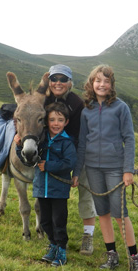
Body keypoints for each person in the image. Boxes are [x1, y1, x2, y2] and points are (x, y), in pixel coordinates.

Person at [75, 64, 138, 271]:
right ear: (91, 83)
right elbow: (82, 143)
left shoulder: (121, 107)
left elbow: (129, 139)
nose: (102, 84)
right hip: (93, 169)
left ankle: (134, 259)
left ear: (111, 84)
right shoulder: (86, 109)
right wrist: (77, 172)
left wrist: (128, 171)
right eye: (98, 80)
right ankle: (112, 255)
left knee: (120, 214)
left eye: (106, 81)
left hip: (115, 168)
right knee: (102, 213)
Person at [43, 64, 96, 255]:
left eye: (63, 79)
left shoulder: (77, 103)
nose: (58, 83)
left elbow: (79, 136)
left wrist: (74, 167)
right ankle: (49, 235)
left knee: (85, 193)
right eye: (54, 79)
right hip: (49, 154)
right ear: (49, 81)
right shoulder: (42, 98)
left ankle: (88, 236)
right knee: (46, 196)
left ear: (69, 82)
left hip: (74, 153)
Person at [34, 103, 77, 267]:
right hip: (41, 189)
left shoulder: (67, 143)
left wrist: (48, 166)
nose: (56, 123)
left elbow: (69, 163)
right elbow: (28, 156)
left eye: (60, 120)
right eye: (52, 119)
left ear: (66, 122)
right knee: (45, 221)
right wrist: (18, 145)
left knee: (58, 221)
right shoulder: (40, 139)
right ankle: (53, 246)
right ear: (46, 121)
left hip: (58, 191)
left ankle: (62, 250)